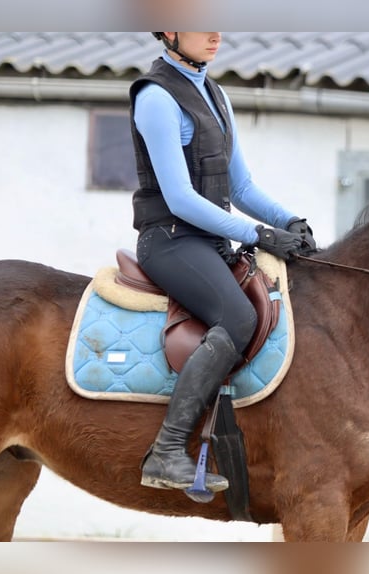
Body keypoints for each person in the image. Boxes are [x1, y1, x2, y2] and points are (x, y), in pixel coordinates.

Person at [129, 32, 315, 495]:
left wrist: (287, 220)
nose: (215, 33)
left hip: (209, 242)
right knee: (237, 315)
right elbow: (180, 198)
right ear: (169, 31)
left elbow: (243, 187)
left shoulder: (215, 93)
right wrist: (258, 234)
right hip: (169, 240)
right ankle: (167, 451)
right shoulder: (156, 98)